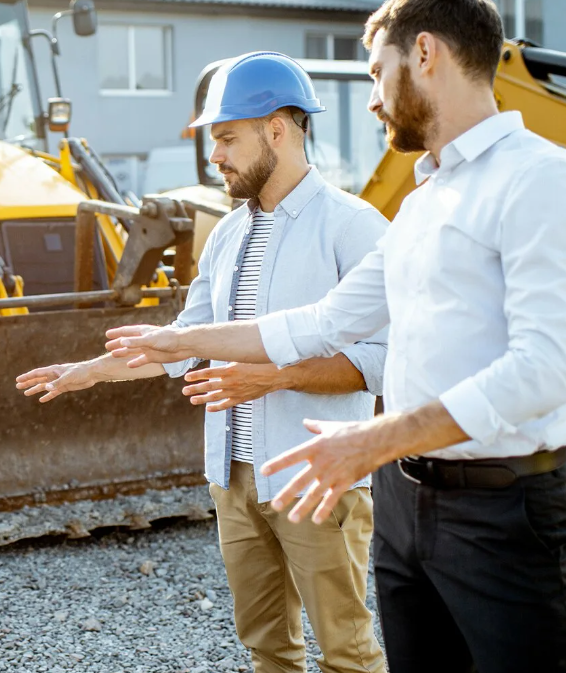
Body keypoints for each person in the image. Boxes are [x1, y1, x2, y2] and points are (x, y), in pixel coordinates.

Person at [103, 1, 566, 671]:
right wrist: (177, 342)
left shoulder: (538, 178)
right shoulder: (421, 203)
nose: (373, 99)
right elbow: (321, 322)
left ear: (426, 54)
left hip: (506, 506)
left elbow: (546, 366)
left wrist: (374, 438)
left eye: (378, 73)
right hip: (408, 502)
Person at [17, 52, 389, 673]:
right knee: (267, 648)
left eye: (225, 137)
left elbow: (379, 363)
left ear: (278, 128)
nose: (214, 155)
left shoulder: (354, 228)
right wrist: (90, 371)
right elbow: (183, 343)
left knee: (347, 652)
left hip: (316, 479)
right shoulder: (226, 234)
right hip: (234, 478)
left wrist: (276, 377)